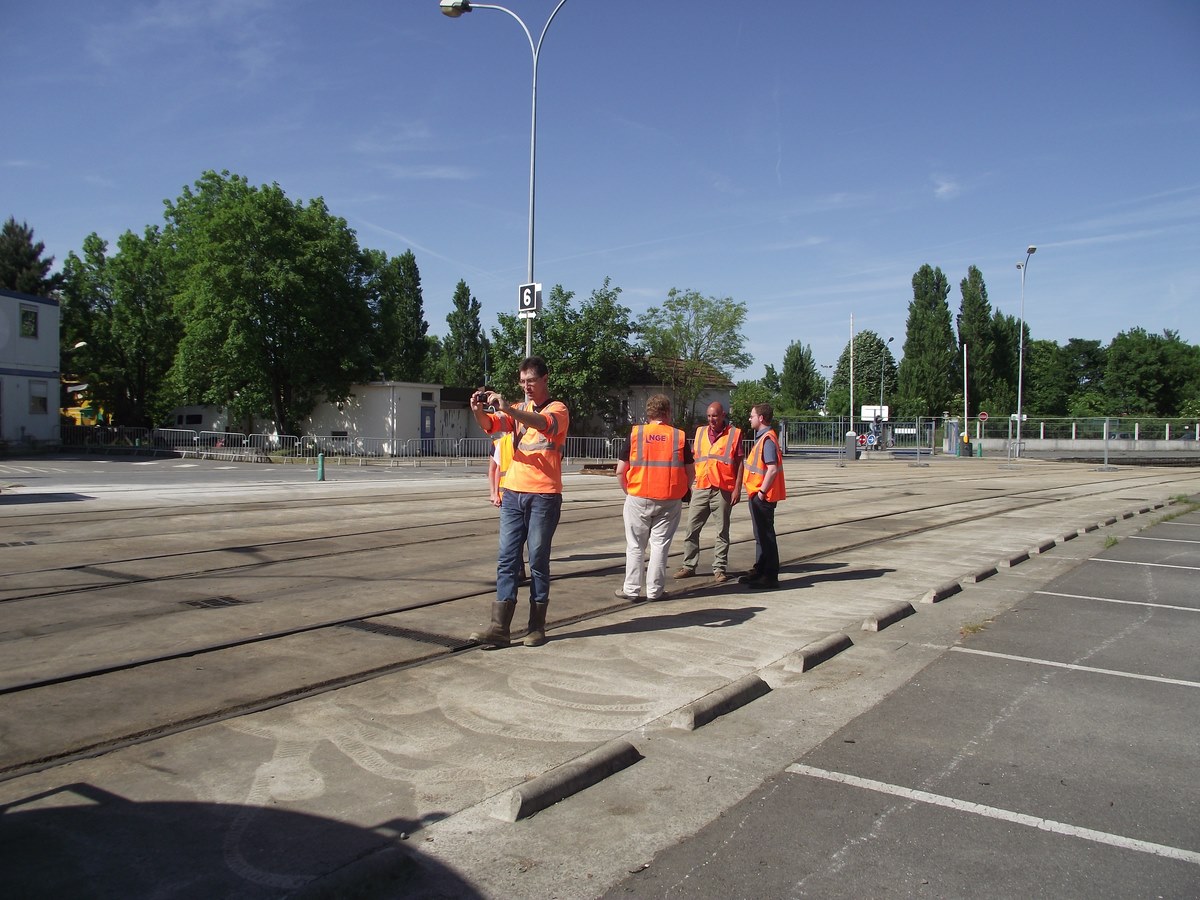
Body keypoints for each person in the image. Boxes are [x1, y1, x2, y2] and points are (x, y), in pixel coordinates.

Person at [469, 356, 569, 648]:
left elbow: (545, 425)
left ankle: (536, 627)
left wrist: (509, 408)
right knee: (507, 559)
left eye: (531, 381)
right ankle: (499, 628)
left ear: (545, 379)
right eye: (523, 381)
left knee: (537, 559)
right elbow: (491, 424)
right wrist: (478, 411)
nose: (526, 386)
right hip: (513, 492)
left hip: (544, 495)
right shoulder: (517, 409)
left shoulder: (558, 409)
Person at [615, 394, 695, 601]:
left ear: (648, 413)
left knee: (635, 545)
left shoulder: (636, 434)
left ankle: (631, 590)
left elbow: (620, 470)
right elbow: (690, 472)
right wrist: (681, 489)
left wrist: (629, 491)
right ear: (668, 412)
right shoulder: (678, 436)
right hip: (669, 499)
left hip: (638, 496)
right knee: (660, 545)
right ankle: (655, 591)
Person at [673, 402, 743, 584]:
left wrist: (737, 488)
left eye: (715, 416)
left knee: (722, 531)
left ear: (723, 415)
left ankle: (719, 569)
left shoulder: (734, 434)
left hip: (723, 488)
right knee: (691, 528)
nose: (711, 420)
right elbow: (693, 459)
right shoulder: (700, 432)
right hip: (701, 486)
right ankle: (689, 566)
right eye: (709, 416)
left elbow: (739, 463)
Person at [739, 403, 786, 589]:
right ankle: (760, 570)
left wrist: (761, 493)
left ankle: (770, 575)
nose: (749, 419)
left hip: (763, 497)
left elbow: (772, 469)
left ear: (761, 418)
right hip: (758, 495)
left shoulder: (767, 439)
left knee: (766, 536)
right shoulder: (763, 438)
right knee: (760, 535)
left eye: (752, 416)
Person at [488, 431, 526, 583]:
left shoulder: (529, 440)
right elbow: (495, 469)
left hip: (527, 493)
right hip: (507, 496)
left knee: (522, 536)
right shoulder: (500, 444)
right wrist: (494, 493)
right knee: (514, 536)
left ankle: (520, 567)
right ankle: (518, 569)